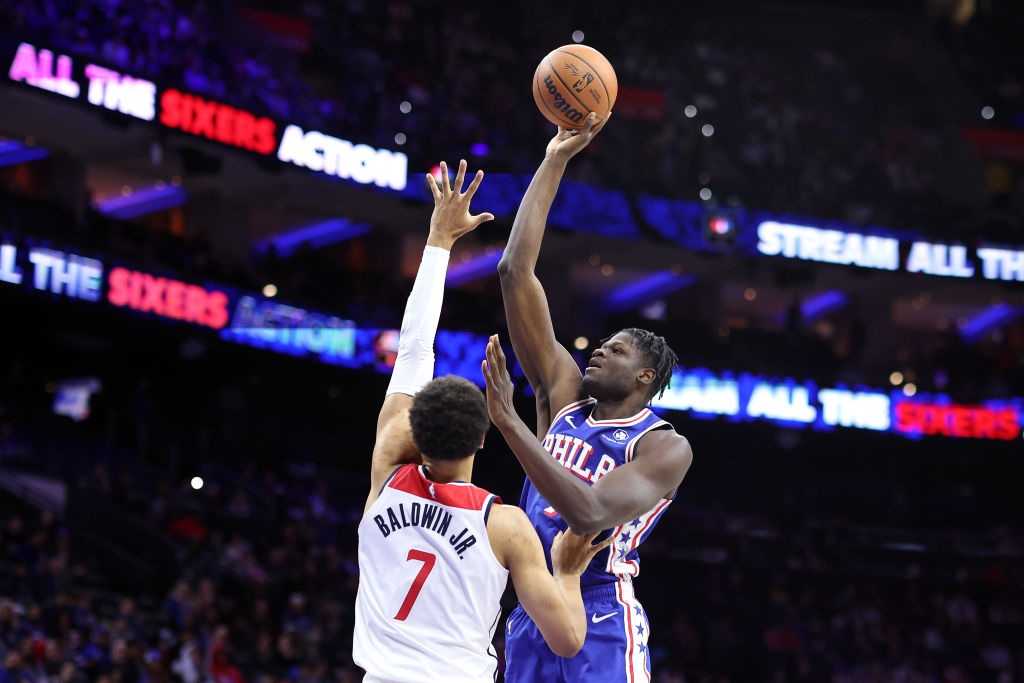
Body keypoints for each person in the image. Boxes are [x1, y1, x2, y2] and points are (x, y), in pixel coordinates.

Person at [352, 160, 612, 683]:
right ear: (483, 438)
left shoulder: (387, 473)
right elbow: (567, 639)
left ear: (413, 433)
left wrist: (437, 240)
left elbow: (413, 350)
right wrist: (566, 571)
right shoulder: (507, 526)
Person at [490, 114, 694, 682]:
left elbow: (591, 512)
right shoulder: (564, 393)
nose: (600, 351)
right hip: (532, 605)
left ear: (645, 378)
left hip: (602, 612)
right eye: (603, 343)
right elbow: (514, 272)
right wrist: (556, 158)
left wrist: (512, 426)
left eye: (618, 351)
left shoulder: (664, 447)